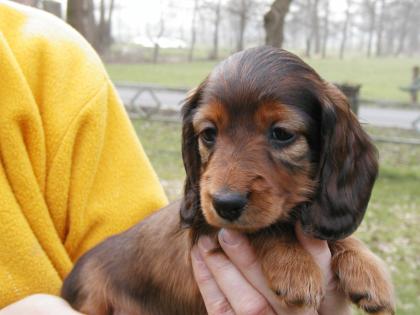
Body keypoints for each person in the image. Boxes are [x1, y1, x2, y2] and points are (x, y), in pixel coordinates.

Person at [0, 2, 350, 314]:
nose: (227, 186)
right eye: (209, 135)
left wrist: (343, 251)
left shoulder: (49, 60)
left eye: (281, 134)